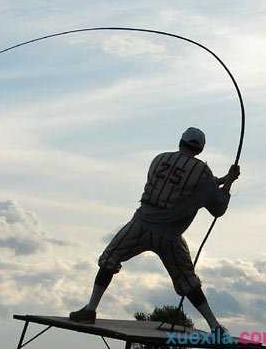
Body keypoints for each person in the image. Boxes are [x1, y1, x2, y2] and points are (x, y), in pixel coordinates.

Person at [69, 127, 240, 333]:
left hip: (140, 224)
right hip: (168, 235)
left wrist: (222, 180)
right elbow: (217, 207)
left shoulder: (159, 159)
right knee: (187, 280)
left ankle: (90, 309)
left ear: (180, 142)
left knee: (109, 259)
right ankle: (215, 326)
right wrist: (228, 182)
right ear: (200, 150)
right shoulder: (202, 173)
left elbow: (179, 183)